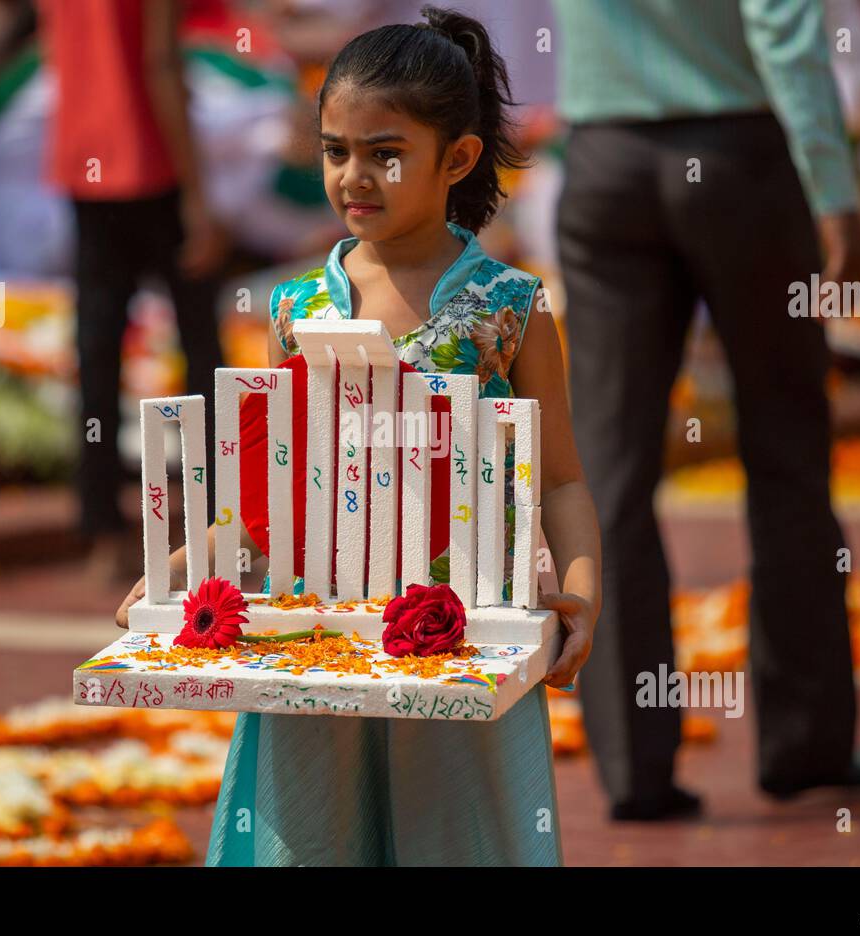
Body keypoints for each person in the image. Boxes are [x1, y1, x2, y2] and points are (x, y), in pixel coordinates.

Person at [116, 5, 602, 866]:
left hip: (460, 630)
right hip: (321, 628)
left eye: (386, 154)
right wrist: (185, 570)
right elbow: (262, 481)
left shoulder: (508, 306)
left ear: (457, 158)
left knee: (455, 836)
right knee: (313, 835)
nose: (354, 178)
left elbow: (559, 478)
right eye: (335, 151)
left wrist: (581, 594)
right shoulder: (294, 308)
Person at [551, 0, 860, 821]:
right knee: (786, 448)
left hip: (602, 158)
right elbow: (783, 25)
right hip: (740, 153)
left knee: (609, 467)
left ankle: (635, 766)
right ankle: (805, 744)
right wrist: (834, 189)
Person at [41, 0, 224, 583]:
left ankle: (101, 527)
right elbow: (160, 63)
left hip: (85, 158)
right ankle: (218, 524)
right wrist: (198, 196)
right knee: (202, 348)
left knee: (95, 349)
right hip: (153, 162)